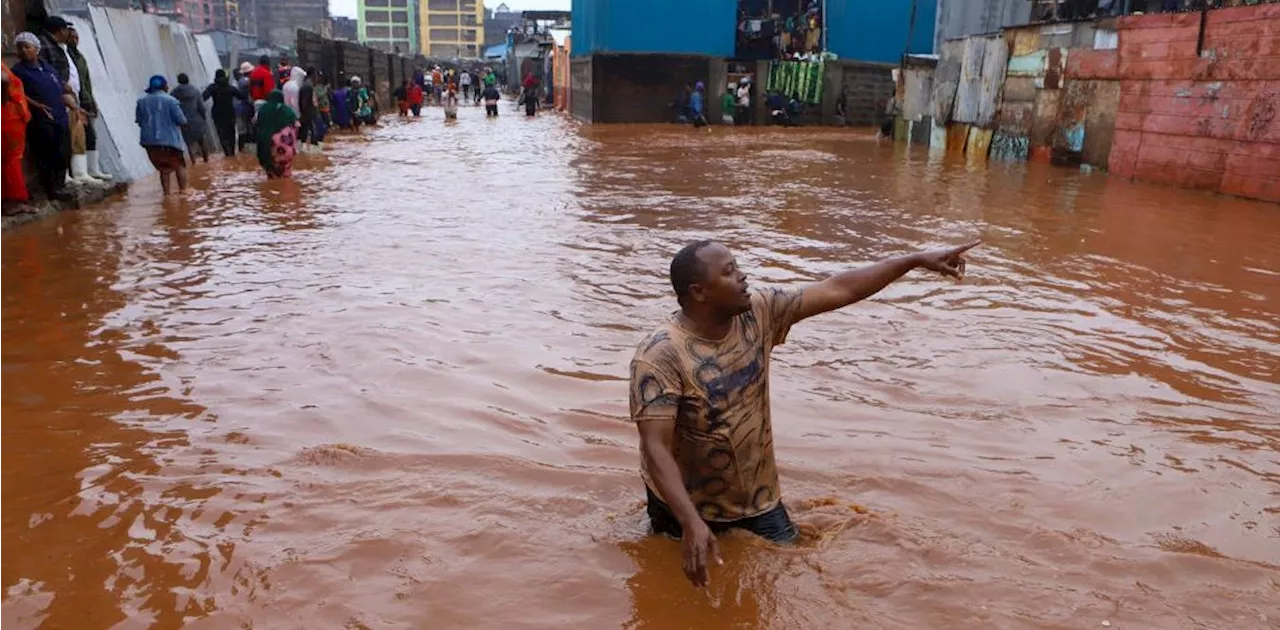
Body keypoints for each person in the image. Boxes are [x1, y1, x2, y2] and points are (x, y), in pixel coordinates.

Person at [631, 239, 980, 587]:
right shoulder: (661, 355)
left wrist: (914, 259)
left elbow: (838, 288)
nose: (743, 276)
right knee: (668, 587)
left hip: (757, 501)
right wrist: (691, 522)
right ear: (700, 292)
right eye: (729, 271)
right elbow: (655, 447)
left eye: (737, 266)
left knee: (782, 585)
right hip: (680, 508)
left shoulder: (758, 312)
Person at [11, 32, 71, 202]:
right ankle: (51, 191)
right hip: (40, 119)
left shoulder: (47, 67)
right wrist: (38, 105)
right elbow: (18, 93)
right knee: (46, 154)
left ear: (36, 49)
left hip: (59, 115)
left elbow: (60, 87)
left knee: (63, 152)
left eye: (27, 47)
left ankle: (61, 185)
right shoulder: (18, 71)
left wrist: (74, 106)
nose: (23, 51)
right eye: (20, 48)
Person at [66, 26, 109, 181]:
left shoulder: (80, 57)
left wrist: (92, 101)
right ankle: (78, 173)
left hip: (85, 100)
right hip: (74, 101)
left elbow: (86, 82)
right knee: (76, 136)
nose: (75, 40)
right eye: (72, 37)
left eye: (77, 38)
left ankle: (92, 170)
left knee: (90, 136)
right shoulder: (67, 56)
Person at [135, 75, 188, 196]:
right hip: (170, 142)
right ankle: (183, 192)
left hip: (150, 142)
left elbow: (139, 121)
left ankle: (167, 195)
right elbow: (182, 120)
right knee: (179, 165)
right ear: (165, 86)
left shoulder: (141, 102)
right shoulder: (171, 101)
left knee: (163, 169)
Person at [0, 59, 33, 214]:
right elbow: (3, 79)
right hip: (9, 118)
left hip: (9, 117)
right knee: (11, 160)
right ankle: (14, 201)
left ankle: (10, 200)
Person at [254, 90, 298, 179]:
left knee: (270, 174)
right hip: (280, 147)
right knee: (285, 175)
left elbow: (255, 123)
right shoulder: (283, 108)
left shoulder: (262, 109)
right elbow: (295, 123)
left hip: (264, 146)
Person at [203, 69, 245, 157]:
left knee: (222, 135)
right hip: (230, 114)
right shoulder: (230, 87)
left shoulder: (212, 87)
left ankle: (227, 153)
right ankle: (232, 154)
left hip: (217, 114)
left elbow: (203, 97)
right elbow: (241, 96)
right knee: (231, 134)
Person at [171, 73, 208, 163]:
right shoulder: (195, 91)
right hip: (197, 119)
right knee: (202, 140)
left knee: (189, 144)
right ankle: (206, 161)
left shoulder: (174, 93)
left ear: (178, 81)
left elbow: (172, 106)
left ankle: (193, 162)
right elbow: (201, 107)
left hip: (184, 121)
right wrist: (203, 117)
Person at [236, 62, 255, 150]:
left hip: (240, 108)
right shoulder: (248, 82)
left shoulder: (240, 81)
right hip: (247, 108)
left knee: (242, 130)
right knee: (250, 128)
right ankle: (249, 149)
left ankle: (241, 149)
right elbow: (249, 97)